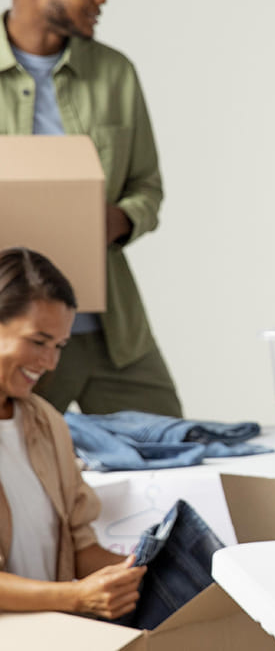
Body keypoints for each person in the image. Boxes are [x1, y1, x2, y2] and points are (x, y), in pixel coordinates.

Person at [1, 0, 182, 416]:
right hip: (11, 336)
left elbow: (147, 187)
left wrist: (116, 220)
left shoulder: (115, 73)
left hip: (112, 330)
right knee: (19, 474)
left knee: (172, 451)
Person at [0, 247, 146, 618]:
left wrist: (139, 572)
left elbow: (79, 548)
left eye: (58, 346)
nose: (49, 363)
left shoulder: (47, 424)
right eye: (38, 341)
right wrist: (74, 597)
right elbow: (76, 591)